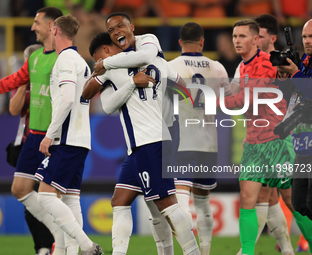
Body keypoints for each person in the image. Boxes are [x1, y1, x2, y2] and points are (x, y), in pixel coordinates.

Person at [83, 31, 200, 255]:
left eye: (98, 58)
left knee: (167, 204)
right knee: (120, 200)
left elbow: (95, 98)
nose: (98, 64)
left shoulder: (114, 67)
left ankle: (192, 252)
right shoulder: (153, 59)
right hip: (141, 146)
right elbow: (180, 83)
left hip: (150, 142)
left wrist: (111, 71)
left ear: (106, 51)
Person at [0, 6, 68, 254]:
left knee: (54, 197)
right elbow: (12, 83)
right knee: (20, 190)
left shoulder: (65, 59)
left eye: (36, 22)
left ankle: (73, 244)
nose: (32, 27)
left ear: (51, 26)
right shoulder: (35, 60)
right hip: (33, 136)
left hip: (56, 138)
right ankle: (57, 237)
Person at [220, 19, 297, 255]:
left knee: (293, 200)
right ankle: (249, 251)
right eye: (234, 37)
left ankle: (299, 245)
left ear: (256, 40)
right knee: (248, 197)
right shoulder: (243, 67)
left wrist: (220, 96)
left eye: (242, 36)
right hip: (254, 141)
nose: (237, 41)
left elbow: (247, 99)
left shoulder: (265, 63)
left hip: (277, 140)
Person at [35, 13, 103, 255]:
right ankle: (69, 252)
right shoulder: (80, 61)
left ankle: (87, 246)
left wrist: (49, 135)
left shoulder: (65, 60)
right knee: (71, 199)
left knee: (44, 197)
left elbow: (65, 99)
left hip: (66, 139)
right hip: (81, 138)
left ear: (54, 31)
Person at [167, 22, 231, 255]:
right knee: (203, 200)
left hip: (182, 140)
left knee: (181, 197)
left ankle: (188, 251)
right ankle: (204, 251)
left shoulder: (171, 67)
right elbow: (228, 102)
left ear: (179, 42)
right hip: (208, 142)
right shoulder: (217, 68)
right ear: (203, 42)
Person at [9, 44, 54, 255]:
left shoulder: (52, 81)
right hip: (28, 144)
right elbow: (13, 110)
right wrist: (22, 85)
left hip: (48, 144)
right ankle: (43, 247)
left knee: (48, 197)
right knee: (29, 198)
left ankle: (56, 243)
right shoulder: (24, 85)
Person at [276, 19, 312, 255]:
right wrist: (284, 75)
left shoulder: (305, 68)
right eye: (306, 37)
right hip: (303, 143)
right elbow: (288, 95)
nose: (307, 41)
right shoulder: (306, 64)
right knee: (299, 203)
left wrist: (297, 73)